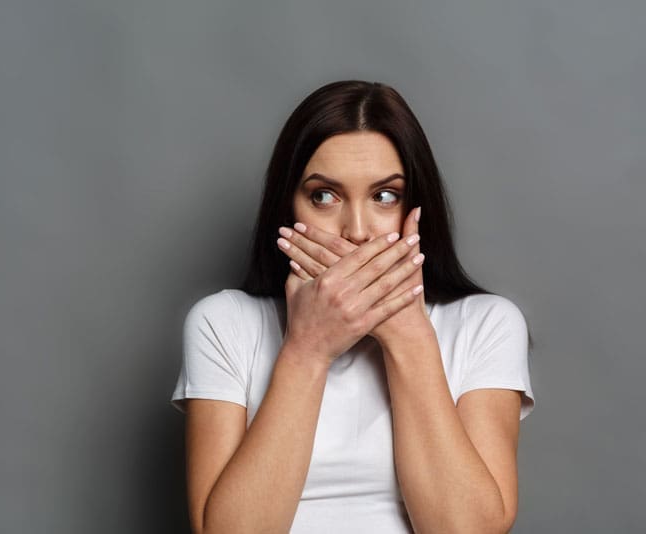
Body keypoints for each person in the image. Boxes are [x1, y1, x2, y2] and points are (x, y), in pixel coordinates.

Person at [170, 80, 535, 534]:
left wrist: (408, 335)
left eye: (385, 196)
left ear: (416, 208)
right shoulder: (223, 323)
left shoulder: (487, 324)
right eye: (324, 195)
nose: (357, 230)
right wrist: (307, 348)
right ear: (288, 208)